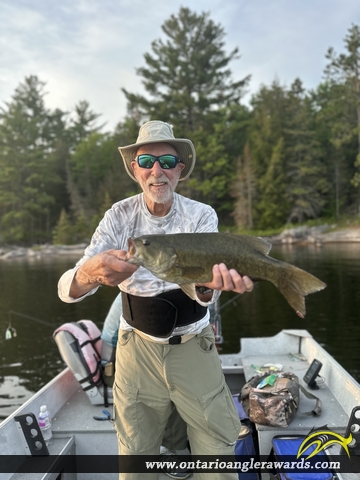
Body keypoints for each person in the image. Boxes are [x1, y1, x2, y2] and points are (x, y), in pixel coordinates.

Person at [58, 120, 254, 480]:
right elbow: (66, 289)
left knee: (218, 456)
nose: (156, 171)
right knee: (135, 458)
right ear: (135, 168)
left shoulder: (200, 215)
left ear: (180, 168)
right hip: (135, 350)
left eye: (167, 162)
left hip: (195, 344)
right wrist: (89, 274)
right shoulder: (118, 216)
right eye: (146, 160)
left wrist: (211, 287)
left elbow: (203, 288)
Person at [101, 293, 191, 480]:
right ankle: (170, 450)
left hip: (133, 357)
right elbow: (110, 338)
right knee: (171, 389)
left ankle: (185, 440)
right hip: (119, 363)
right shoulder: (134, 297)